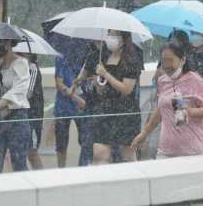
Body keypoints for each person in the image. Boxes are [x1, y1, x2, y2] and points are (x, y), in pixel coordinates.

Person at [131, 40, 203, 159]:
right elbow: (161, 110)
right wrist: (145, 133)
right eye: (163, 61)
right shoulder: (162, 81)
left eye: (170, 60)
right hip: (165, 150)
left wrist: (190, 111)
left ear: (183, 60)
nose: (166, 65)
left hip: (192, 151)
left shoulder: (195, 81)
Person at [92, 29, 142, 165]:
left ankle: (137, 183)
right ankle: (93, 184)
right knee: (98, 153)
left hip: (126, 113)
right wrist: (98, 85)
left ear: (124, 38)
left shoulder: (132, 60)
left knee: (127, 154)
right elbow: (102, 85)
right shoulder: (104, 57)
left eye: (114, 35)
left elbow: (127, 89)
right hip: (106, 110)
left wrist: (106, 74)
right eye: (109, 34)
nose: (110, 38)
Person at [0, 39, 31, 173]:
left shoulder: (21, 62)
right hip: (0, 117)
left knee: (19, 165)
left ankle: (27, 192)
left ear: (8, 44)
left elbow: (18, 91)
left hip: (17, 116)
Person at [73, 40, 105, 166]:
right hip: (90, 103)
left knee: (100, 147)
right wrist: (80, 80)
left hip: (103, 105)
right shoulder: (90, 50)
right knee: (86, 142)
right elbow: (85, 72)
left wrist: (102, 78)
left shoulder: (110, 53)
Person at [54, 53, 85, 168]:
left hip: (83, 105)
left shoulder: (86, 55)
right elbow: (59, 84)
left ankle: (84, 169)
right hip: (63, 107)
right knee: (61, 145)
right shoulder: (61, 57)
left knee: (85, 142)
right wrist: (76, 98)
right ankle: (62, 172)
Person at [18, 52, 44, 170]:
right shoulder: (17, 68)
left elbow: (28, 94)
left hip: (32, 117)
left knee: (32, 153)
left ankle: (40, 180)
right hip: (20, 115)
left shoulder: (32, 68)